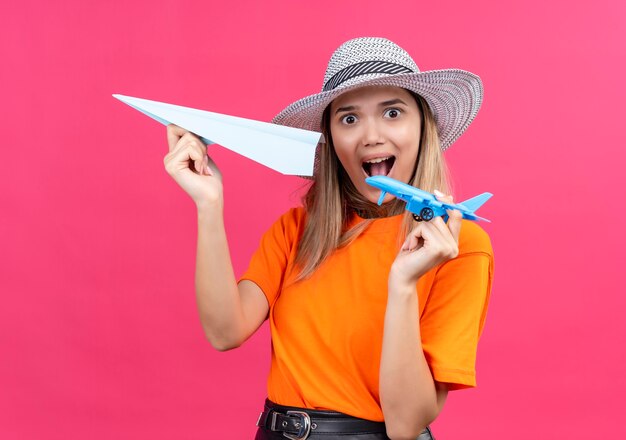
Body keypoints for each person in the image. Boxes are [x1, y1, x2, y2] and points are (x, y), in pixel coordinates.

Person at [163, 37, 494, 440]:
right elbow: (224, 331)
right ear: (331, 140)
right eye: (349, 119)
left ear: (424, 127)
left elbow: (406, 425)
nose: (370, 136)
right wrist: (208, 204)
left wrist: (403, 284)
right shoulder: (297, 230)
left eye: (392, 112)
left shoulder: (459, 245)